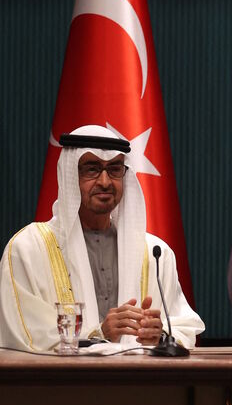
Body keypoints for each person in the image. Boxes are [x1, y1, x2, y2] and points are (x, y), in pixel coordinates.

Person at [0, 125, 203, 352]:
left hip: (141, 384)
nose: (105, 182)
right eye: (92, 169)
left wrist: (159, 334)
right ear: (70, 175)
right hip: (58, 385)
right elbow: (23, 332)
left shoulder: (155, 253)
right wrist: (98, 335)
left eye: (114, 169)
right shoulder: (28, 249)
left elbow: (185, 325)